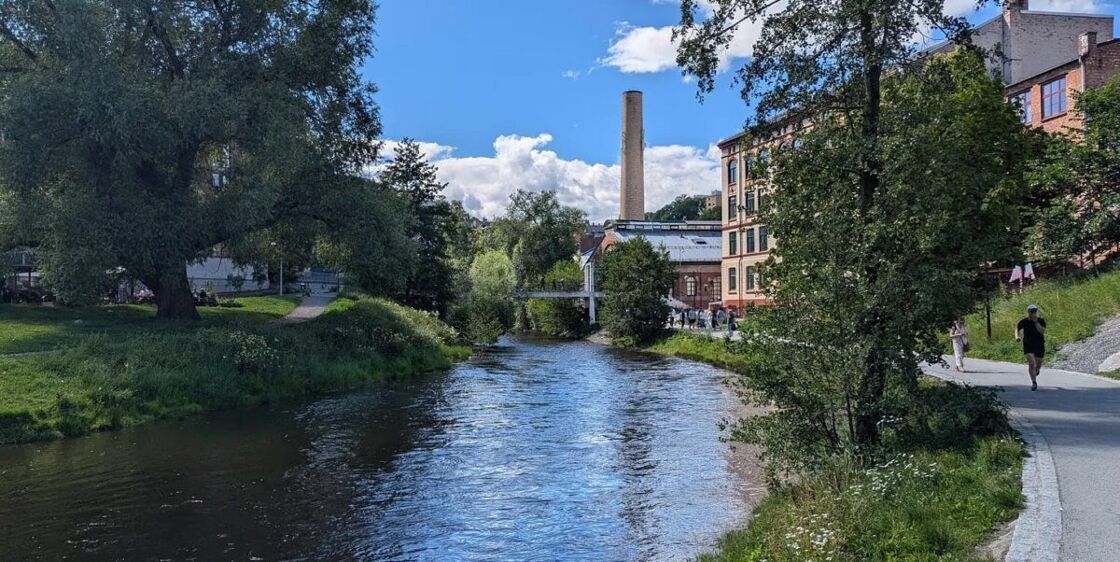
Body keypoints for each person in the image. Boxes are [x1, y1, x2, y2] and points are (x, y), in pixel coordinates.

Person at [1015, 304, 1047, 391]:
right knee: (1032, 363)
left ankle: (1037, 370)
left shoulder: (1041, 321)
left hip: (1039, 344)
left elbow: (1042, 331)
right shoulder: (1024, 321)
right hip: (1028, 344)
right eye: (1032, 311)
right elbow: (1017, 328)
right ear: (1028, 312)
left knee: (1038, 363)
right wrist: (1017, 336)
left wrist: (1035, 321)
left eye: (1035, 311)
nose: (1033, 313)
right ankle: (1034, 383)